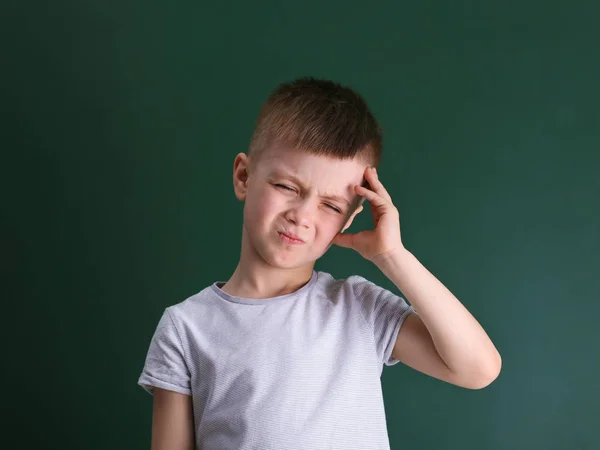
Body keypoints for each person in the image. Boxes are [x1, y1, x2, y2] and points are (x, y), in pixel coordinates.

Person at [137, 77, 502, 450]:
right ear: (244, 176)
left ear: (348, 218)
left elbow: (478, 369)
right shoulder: (186, 328)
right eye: (287, 187)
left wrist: (392, 256)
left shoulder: (358, 307)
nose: (302, 216)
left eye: (330, 206)